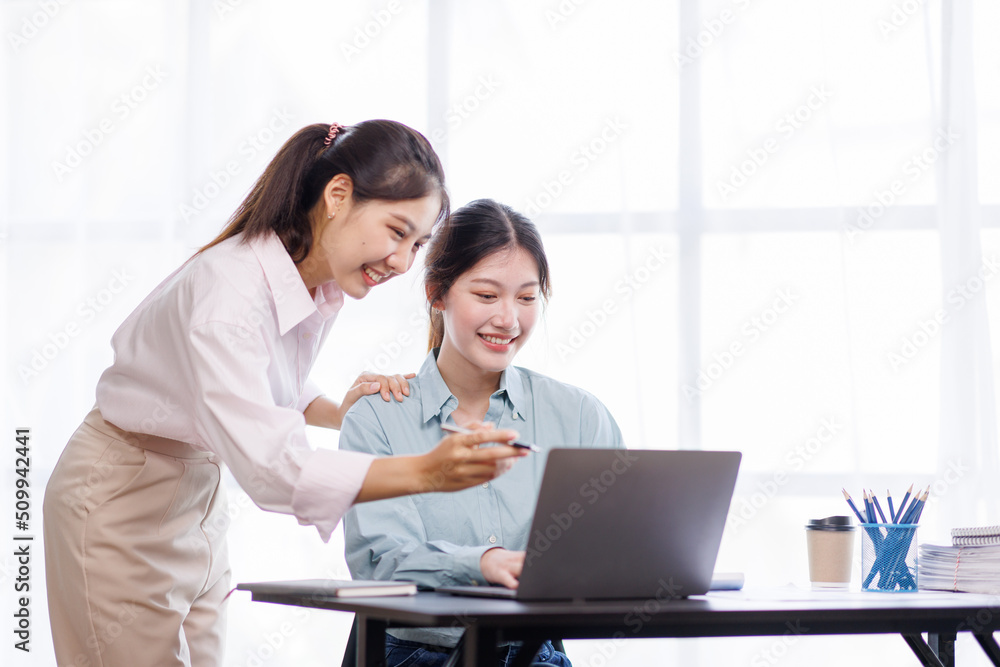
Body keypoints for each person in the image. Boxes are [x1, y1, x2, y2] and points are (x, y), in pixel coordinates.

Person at [42, 122, 527, 667]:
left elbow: (260, 383)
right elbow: (274, 469)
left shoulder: (313, 282)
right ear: (338, 195)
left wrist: (335, 411)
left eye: (417, 245)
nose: (402, 262)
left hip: (195, 495)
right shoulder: (229, 292)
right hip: (122, 497)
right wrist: (425, 473)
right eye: (396, 232)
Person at [341, 199, 625, 667]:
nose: (508, 319)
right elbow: (379, 559)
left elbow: (619, 542)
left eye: (527, 298)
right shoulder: (378, 418)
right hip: (418, 654)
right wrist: (482, 562)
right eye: (487, 296)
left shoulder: (578, 416)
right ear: (437, 293)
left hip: (536, 653)